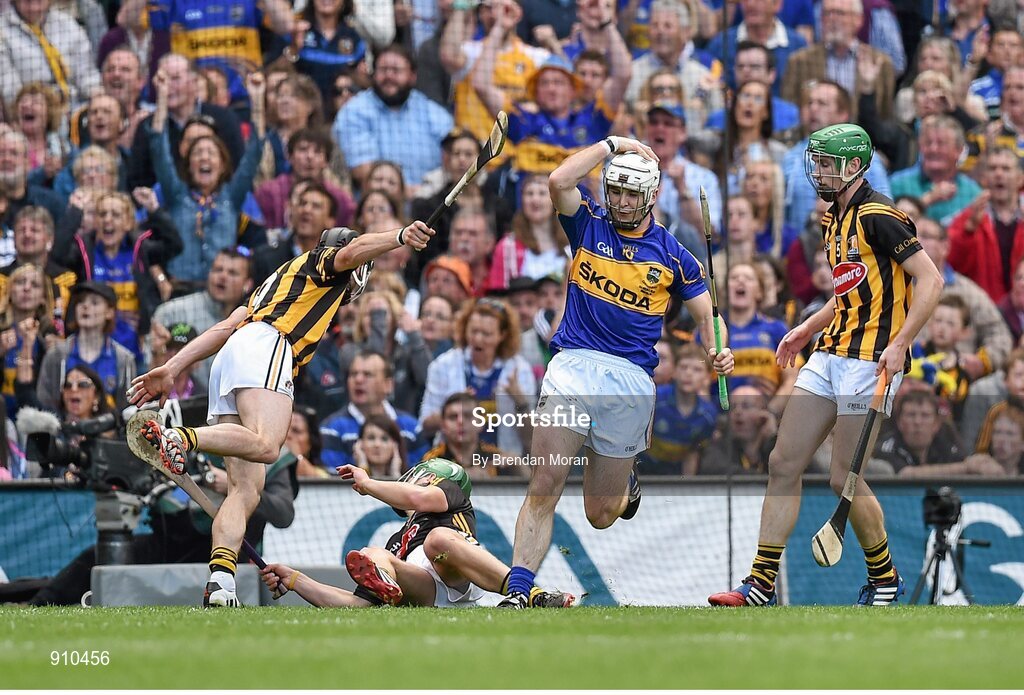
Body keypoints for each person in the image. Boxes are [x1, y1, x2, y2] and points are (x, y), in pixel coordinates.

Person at [126, 218, 437, 607]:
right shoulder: (323, 265)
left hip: (234, 352)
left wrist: (172, 368)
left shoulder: (272, 286)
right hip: (269, 346)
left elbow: (225, 327)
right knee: (268, 445)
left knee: (245, 490)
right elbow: (352, 253)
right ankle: (180, 438)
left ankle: (221, 585)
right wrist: (399, 237)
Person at [708, 124, 943, 608]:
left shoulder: (881, 218)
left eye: (826, 164)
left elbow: (932, 281)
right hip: (830, 352)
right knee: (782, 461)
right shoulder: (830, 219)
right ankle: (760, 584)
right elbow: (848, 291)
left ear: (854, 167)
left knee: (843, 478)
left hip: (870, 363)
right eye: (815, 163)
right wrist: (807, 327)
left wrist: (901, 344)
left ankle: (884, 578)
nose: (817, 172)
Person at [499, 136, 735, 608]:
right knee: (545, 484)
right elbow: (558, 179)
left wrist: (716, 351)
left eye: (632, 194)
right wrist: (613, 144)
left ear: (650, 197)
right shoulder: (586, 226)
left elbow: (708, 315)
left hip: (630, 379)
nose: (622, 201)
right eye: (615, 191)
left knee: (601, 514)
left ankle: (624, 487)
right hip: (572, 366)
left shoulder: (673, 255)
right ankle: (518, 592)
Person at [259, 458, 574, 608]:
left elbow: (418, 498)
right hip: (427, 592)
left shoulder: (449, 492)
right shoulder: (397, 539)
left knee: (436, 541)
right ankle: (388, 584)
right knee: (373, 554)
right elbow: (354, 607)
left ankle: (527, 592)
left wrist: (368, 484)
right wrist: (297, 580)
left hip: (451, 567)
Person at [646, 342, 718, 475]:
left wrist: (687, 491)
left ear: (707, 378)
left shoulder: (708, 415)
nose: (689, 373)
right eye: (684, 367)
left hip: (676, 479)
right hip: (644, 471)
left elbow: (693, 454)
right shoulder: (654, 399)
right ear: (674, 371)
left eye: (697, 369)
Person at [422, 391, 508, 479]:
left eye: (468, 416)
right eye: (453, 417)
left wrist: (517, 466)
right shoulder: (432, 461)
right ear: (443, 425)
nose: (461, 421)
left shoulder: (496, 456)